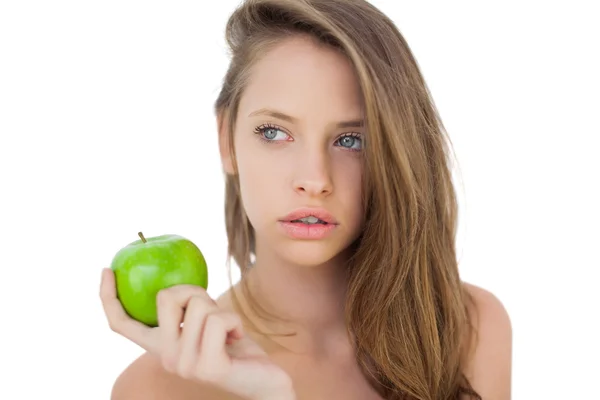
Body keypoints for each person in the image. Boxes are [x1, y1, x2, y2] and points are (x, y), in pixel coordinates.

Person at [100, 0, 512, 398]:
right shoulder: (156, 389)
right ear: (226, 138)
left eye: (351, 140)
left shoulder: (468, 329)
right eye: (275, 133)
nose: (315, 180)